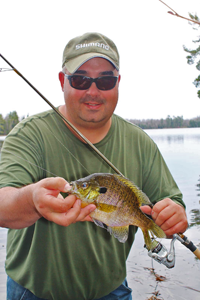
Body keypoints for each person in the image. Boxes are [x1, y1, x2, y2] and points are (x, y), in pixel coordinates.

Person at [0, 32, 188, 300]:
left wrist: (175, 213)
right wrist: (32, 200)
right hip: (34, 292)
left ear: (118, 83)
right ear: (62, 81)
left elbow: (172, 201)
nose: (93, 91)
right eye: (80, 79)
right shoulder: (29, 135)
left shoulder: (140, 142)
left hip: (112, 290)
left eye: (105, 80)